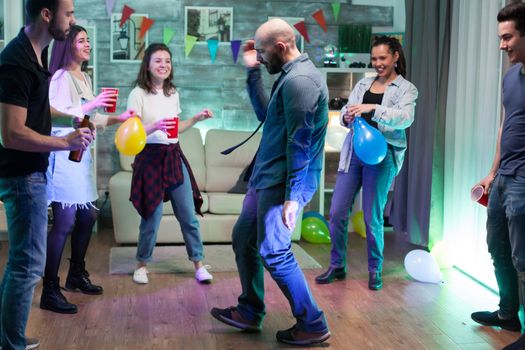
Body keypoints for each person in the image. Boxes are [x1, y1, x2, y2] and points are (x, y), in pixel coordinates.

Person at [210, 18, 331, 346]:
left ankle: (313, 322)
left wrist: (293, 197)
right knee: (243, 238)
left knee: (274, 251)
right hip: (266, 178)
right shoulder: (289, 75)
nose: (260, 57)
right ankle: (250, 310)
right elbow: (267, 115)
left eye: (262, 51)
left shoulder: (301, 81)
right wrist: (252, 71)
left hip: (282, 182)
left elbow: (300, 144)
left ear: (281, 46)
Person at [0, 0, 92, 348]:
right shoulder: (18, 61)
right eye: (68, 13)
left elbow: (36, 107)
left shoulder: (36, 52)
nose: (73, 20)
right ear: (46, 15)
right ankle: (11, 343)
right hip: (22, 177)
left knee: (22, 263)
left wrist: (66, 119)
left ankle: (7, 337)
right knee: (28, 264)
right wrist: (64, 141)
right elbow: (11, 134)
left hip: (31, 172)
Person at [39, 24, 135, 315]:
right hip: (63, 159)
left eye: (88, 40)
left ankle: (76, 275)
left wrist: (119, 118)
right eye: (82, 40)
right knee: (65, 222)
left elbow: (90, 120)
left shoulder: (85, 77)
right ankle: (50, 289)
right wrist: (89, 106)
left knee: (89, 215)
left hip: (81, 160)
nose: (88, 44)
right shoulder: (59, 77)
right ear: (67, 45)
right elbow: (53, 119)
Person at [315, 36, 418, 290]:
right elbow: (344, 116)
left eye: (382, 58)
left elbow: (405, 119)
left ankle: (375, 269)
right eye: (374, 59)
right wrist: (346, 116)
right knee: (337, 212)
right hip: (354, 155)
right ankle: (337, 265)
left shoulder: (407, 89)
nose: (378, 63)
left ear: (395, 56)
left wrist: (372, 108)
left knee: (372, 218)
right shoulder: (363, 83)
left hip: (382, 158)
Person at [127, 43, 213, 285]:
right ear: (148, 64)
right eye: (158, 60)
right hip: (150, 158)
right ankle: (141, 265)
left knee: (188, 216)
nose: (163, 65)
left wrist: (196, 119)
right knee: (151, 218)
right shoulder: (138, 94)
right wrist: (155, 126)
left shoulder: (173, 92)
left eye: (167, 60)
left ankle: (198, 264)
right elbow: (131, 131)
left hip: (173, 155)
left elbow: (175, 129)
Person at [469, 3, 525, 350]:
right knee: (498, 249)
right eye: (500, 38)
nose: (502, 45)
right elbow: (506, 125)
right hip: (504, 178)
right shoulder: (510, 75)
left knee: (524, 259)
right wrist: (492, 172)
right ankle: (508, 314)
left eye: (507, 37)